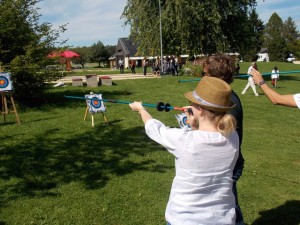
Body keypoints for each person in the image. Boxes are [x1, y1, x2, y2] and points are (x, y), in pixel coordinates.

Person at [129, 76, 239, 225]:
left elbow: (154, 127)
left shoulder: (185, 140)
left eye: (192, 103)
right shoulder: (232, 136)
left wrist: (141, 109)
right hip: (222, 218)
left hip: (185, 219)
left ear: (199, 109)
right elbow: (205, 138)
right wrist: (194, 124)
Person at [202, 54, 245, 225]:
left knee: (228, 209)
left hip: (226, 168)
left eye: (205, 74)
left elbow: (220, 140)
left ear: (214, 77)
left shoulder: (229, 103)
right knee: (229, 207)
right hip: (222, 165)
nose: (203, 78)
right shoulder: (221, 99)